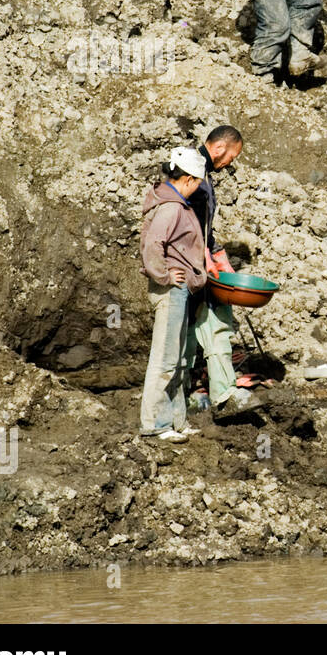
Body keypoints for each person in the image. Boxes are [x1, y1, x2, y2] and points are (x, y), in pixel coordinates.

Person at [180, 125, 262, 418]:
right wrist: (206, 260)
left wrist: (217, 255)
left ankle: (185, 394)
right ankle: (223, 395)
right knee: (215, 326)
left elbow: (204, 231)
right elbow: (189, 230)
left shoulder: (197, 177)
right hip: (192, 269)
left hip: (193, 266)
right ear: (218, 149)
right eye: (231, 156)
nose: (231, 162)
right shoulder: (197, 181)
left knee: (191, 330)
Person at [138, 148, 209, 443]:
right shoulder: (171, 208)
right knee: (165, 359)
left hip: (180, 289)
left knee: (179, 359)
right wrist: (165, 275)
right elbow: (153, 244)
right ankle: (156, 423)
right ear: (190, 179)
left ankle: (177, 420)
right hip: (171, 289)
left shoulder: (176, 203)